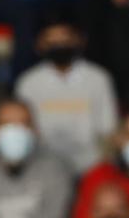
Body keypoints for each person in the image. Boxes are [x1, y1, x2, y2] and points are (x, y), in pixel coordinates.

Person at [13, 12, 119, 177]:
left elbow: (108, 129)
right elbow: (23, 130)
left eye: (65, 38)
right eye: (51, 40)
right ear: (39, 44)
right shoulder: (28, 82)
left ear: (80, 40)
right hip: (42, 166)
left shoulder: (98, 78)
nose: (59, 45)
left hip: (91, 166)